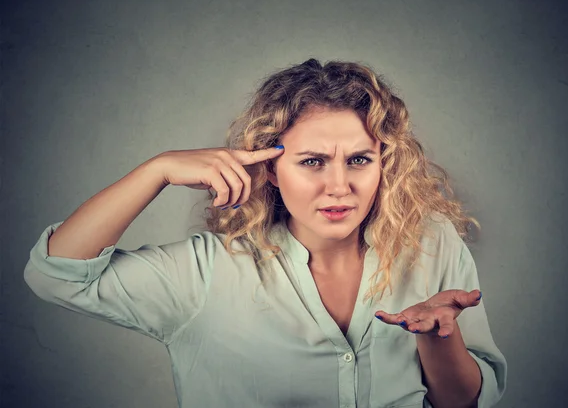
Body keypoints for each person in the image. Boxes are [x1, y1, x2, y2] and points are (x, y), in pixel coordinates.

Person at [24, 58, 507, 408]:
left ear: (384, 163)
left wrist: (439, 337)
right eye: (312, 162)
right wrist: (158, 169)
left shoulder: (430, 244)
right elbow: (57, 275)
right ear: (271, 169)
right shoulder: (207, 271)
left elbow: (463, 403)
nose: (339, 186)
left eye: (359, 160)